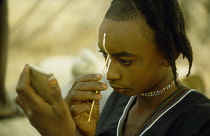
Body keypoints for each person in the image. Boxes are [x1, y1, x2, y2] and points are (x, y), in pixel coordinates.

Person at [16, 0, 210, 136]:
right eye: (105, 55)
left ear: (170, 54)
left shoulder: (201, 121)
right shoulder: (118, 102)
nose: (109, 74)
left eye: (126, 61)